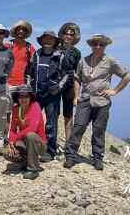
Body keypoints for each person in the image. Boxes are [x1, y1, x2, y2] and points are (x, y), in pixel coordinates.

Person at [64, 34, 130, 170]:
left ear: (105, 46)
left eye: (101, 44)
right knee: (78, 127)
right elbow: (77, 78)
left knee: (99, 130)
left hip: (102, 102)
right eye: (95, 44)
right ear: (91, 45)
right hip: (85, 99)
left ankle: (97, 158)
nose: (98, 46)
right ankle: (71, 156)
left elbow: (127, 76)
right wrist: (76, 96)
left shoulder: (110, 61)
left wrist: (114, 91)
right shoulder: (84, 61)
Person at [28, 31, 67, 162]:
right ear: (42, 40)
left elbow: (67, 74)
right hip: (37, 93)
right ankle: (34, 148)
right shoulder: (37, 54)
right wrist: (30, 88)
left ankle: (50, 151)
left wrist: (59, 87)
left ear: (55, 41)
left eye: (51, 39)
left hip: (52, 95)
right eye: (45, 38)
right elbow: (29, 72)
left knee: (51, 124)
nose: (48, 41)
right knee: (34, 121)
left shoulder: (60, 55)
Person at [5, 85, 46, 180]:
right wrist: (11, 142)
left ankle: (33, 169)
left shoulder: (35, 106)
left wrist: (15, 140)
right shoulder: (16, 108)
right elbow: (12, 129)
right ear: (17, 98)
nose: (23, 99)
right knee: (7, 153)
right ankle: (25, 162)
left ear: (30, 97)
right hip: (23, 141)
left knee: (30, 135)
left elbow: (32, 128)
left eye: (26, 96)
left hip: (39, 143)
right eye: (21, 96)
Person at [58, 22, 82, 140]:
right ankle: (50, 143)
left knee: (68, 115)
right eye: (66, 33)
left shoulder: (76, 52)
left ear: (74, 37)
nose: (68, 36)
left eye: (71, 34)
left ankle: (68, 144)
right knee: (53, 115)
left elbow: (78, 73)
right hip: (55, 86)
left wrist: (76, 95)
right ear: (62, 35)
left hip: (69, 86)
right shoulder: (55, 48)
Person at [6, 20, 36, 94]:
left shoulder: (29, 47)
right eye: (19, 29)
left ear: (26, 33)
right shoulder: (8, 45)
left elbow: (34, 64)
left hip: (24, 84)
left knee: (22, 106)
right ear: (15, 31)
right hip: (8, 83)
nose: (21, 31)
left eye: (23, 30)